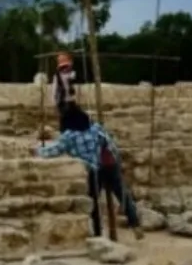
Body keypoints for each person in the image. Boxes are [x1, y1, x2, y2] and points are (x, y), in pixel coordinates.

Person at [35, 102, 143, 240]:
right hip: (109, 163)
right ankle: (135, 224)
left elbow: (52, 151)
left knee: (94, 202)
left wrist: (37, 150)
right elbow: (110, 143)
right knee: (122, 194)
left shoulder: (69, 136)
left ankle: (98, 233)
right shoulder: (96, 128)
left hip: (92, 170)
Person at [49, 51, 78, 131]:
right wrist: (54, 103)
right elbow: (54, 91)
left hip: (71, 101)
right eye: (63, 67)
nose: (65, 69)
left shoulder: (72, 74)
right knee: (65, 122)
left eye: (66, 66)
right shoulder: (58, 76)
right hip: (63, 102)